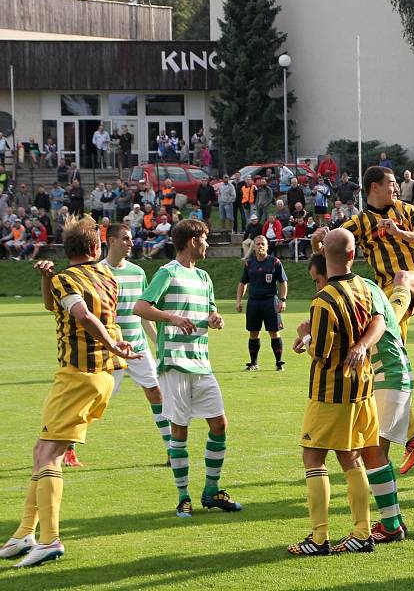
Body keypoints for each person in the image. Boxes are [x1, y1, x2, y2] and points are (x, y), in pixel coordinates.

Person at [0, 216, 139, 567]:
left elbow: (82, 315)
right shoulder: (106, 276)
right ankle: (24, 534)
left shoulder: (67, 279)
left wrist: (111, 343)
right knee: (45, 451)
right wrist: (48, 279)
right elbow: (58, 306)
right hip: (102, 377)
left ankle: (49, 541)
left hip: (78, 375)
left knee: (46, 456)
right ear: (95, 249)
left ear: (68, 250)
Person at [312, 166, 414, 474]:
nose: (397, 188)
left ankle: (385, 455)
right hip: (389, 296)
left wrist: (400, 232)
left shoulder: (406, 211)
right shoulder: (359, 222)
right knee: (390, 367)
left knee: (403, 277)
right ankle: (412, 433)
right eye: (391, 184)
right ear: (374, 188)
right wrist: (319, 242)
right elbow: (336, 246)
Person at [134, 219, 242, 518]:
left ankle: (211, 491)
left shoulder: (205, 277)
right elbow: (141, 307)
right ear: (193, 240)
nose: (208, 244)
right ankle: (183, 496)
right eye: (205, 239)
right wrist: (172, 317)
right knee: (179, 429)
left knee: (219, 424)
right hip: (175, 364)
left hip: (201, 362)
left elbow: (209, 313)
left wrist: (215, 319)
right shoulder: (168, 272)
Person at [304, 252, 413, 543]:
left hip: (384, 373)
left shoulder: (354, 290)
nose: (318, 287)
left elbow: (376, 323)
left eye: (318, 280)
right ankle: (391, 522)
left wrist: (359, 345)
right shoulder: (359, 288)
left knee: (369, 454)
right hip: (381, 374)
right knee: (365, 453)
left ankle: (387, 525)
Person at [287, 228, 379, 556]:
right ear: (353, 255)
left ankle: (318, 538)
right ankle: (362, 532)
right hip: (363, 387)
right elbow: (377, 320)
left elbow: (321, 353)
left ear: (324, 253)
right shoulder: (364, 287)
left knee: (313, 457)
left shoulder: (324, 299)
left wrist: (305, 336)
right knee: (351, 457)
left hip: (331, 392)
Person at [101, 224, 171, 455]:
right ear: (111, 241)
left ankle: (172, 448)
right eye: (126, 239)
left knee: (155, 392)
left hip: (138, 348)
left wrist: (157, 344)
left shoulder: (138, 272)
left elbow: (144, 313)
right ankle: (68, 446)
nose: (131, 243)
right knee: (96, 400)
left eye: (131, 239)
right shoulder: (98, 272)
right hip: (111, 350)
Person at [236, 236, 287, 371]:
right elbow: (243, 283)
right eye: (257, 244)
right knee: (253, 333)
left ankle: (278, 362)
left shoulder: (275, 262)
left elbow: (283, 282)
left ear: (267, 246)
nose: (260, 246)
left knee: (274, 332)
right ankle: (253, 363)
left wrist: (282, 300)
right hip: (253, 302)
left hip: (270, 301)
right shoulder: (249, 263)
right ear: (254, 247)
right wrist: (239, 301)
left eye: (262, 244)